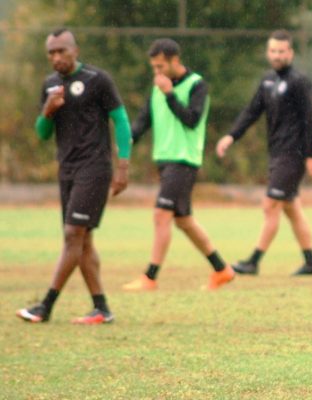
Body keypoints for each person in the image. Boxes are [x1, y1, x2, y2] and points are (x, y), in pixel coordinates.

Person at [16, 28, 132, 324]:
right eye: (51, 53)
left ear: (75, 51)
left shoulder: (97, 80)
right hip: (66, 170)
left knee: (72, 236)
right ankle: (101, 308)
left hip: (94, 168)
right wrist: (48, 110)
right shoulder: (50, 85)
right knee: (83, 241)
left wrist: (123, 166)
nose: (56, 57)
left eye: (61, 51)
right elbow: (42, 134)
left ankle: (45, 305)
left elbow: (120, 120)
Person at [121, 38, 235, 291]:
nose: (157, 72)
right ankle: (221, 269)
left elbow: (192, 120)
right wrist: (125, 144)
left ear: (175, 60)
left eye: (161, 66)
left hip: (184, 160)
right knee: (184, 221)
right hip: (165, 160)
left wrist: (170, 94)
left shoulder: (197, 85)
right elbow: (143, 121)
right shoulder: (158, 88)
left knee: (162, 215)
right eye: (154, 67)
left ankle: (149, 277)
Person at [216, 29, 312, 276]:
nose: (277, 55)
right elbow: (251, 112)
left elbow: (310, 120)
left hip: (292, 154)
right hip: (277, 153)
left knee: (270, 204)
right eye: (273, 51)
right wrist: (231, 136)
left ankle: (253, 261)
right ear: (268, 52)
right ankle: (311, 262)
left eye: (282, 51)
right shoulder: (267, 81)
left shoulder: (298, 82)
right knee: (291, 208)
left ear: (290, 53)